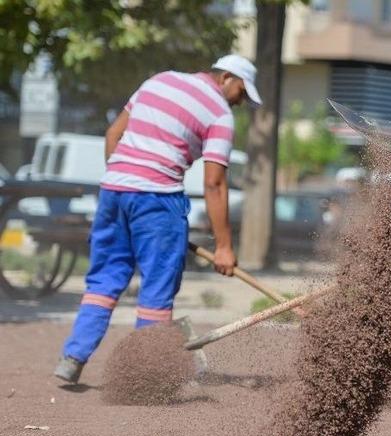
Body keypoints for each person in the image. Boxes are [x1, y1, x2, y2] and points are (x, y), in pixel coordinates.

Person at [53, 54, 261, 384]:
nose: (240, 102)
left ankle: (73, 356)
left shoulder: (159, 80)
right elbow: (214, 183)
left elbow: (113, 135)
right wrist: (223, 247)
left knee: (104, 281)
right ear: (226, 79)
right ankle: (144, 377)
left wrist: (125, 183)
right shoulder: (219, 112)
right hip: (158, 199)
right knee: (157, 289)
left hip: (113, 192)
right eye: (242, 92)